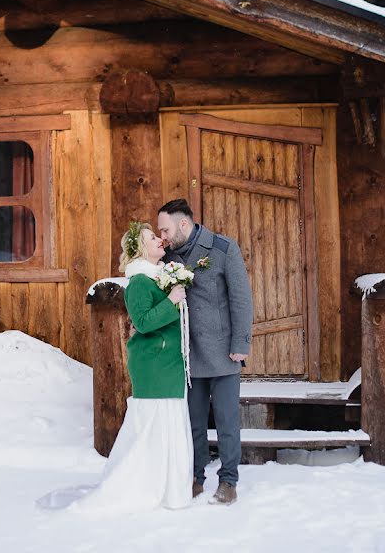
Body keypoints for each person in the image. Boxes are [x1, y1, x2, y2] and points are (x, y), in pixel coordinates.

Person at [39, 222, 193, 514]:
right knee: (154, 425)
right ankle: (144, 486)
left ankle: (172, 489)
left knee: (169, 420)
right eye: (152, 237)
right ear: (139, 248)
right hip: (154, 365)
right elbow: (144, 321)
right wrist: (172, 301)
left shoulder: (158, 277)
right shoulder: (138, 282)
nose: (160, 240)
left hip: (170, 362)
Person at [157, 199, 253, 506]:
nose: (163, 235)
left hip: (224, 352)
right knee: (193, 421)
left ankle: (229, 481)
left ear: (183, 224)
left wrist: (241, 344)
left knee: (226, 421)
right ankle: (196, 477)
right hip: (186, 355)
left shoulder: (224, 248)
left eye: (166, 228)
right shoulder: (167, 256)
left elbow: (241, 300)